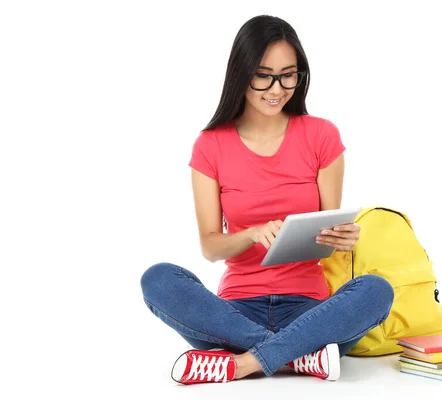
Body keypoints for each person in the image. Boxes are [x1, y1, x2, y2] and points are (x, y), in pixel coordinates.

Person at [140, 15, 394, 384]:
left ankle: (244, 363)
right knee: (158, 279)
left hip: (309, 311)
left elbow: (327, 233)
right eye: (264, 75)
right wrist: (251, 234)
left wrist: (343, 239)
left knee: (376, 291)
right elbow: (211, 247)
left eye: (288, 74)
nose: (277, 88)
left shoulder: (322, 136)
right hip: (234, 314)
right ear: (241, 73)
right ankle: (296, 356)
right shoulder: (210, 145)